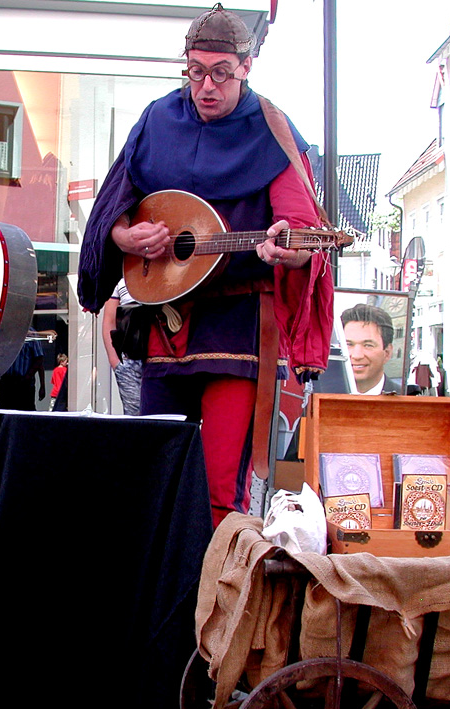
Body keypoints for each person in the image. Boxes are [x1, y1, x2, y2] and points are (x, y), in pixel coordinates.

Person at [78, 4, 333, 527]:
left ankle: (217, 601)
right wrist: (129, 234)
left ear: (246, 67)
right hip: (166, 323)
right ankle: (157, 604)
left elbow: (302, 228)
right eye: (195, 71)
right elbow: (115, 208)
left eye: (220, 72)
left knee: (221, 492)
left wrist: (291, 245)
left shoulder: (274, 131)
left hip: (238, 332)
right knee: (153, 476)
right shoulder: (157, 120)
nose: (206, 86)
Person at [102, 277, 143, 416]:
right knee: (134, 416)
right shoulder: (119, 280)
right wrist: (117, 363)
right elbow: (109, 321)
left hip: (160, 359)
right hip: (130, 360)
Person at [341, 303, 398, 395]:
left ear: (387, 353)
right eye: (348, 344)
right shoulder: (315, 398)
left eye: (368, 345)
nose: (357, 355)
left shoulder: (410, 400)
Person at [0, 339, 45, 410]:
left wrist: (29, 378)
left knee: (25, 411)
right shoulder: (7, 335)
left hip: (24, 382)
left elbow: (39, 360)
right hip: (7, 382)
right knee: (6, 411)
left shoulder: (32, 337)